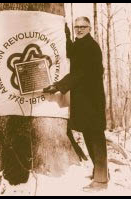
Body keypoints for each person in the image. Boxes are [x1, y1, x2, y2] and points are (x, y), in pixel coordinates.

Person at [43, 17, 109, 192]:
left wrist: (58, 85)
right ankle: (99, 172)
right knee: (89, 135)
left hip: (92, 100)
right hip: (85, 100)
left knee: (96, 137)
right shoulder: (81, 44)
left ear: (89, 28)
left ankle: (101, 181)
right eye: (76, 27)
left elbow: (80, 73)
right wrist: (64, 32)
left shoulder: (91, 47)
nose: (79, 29)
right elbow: (71, 51)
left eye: (82, 27)